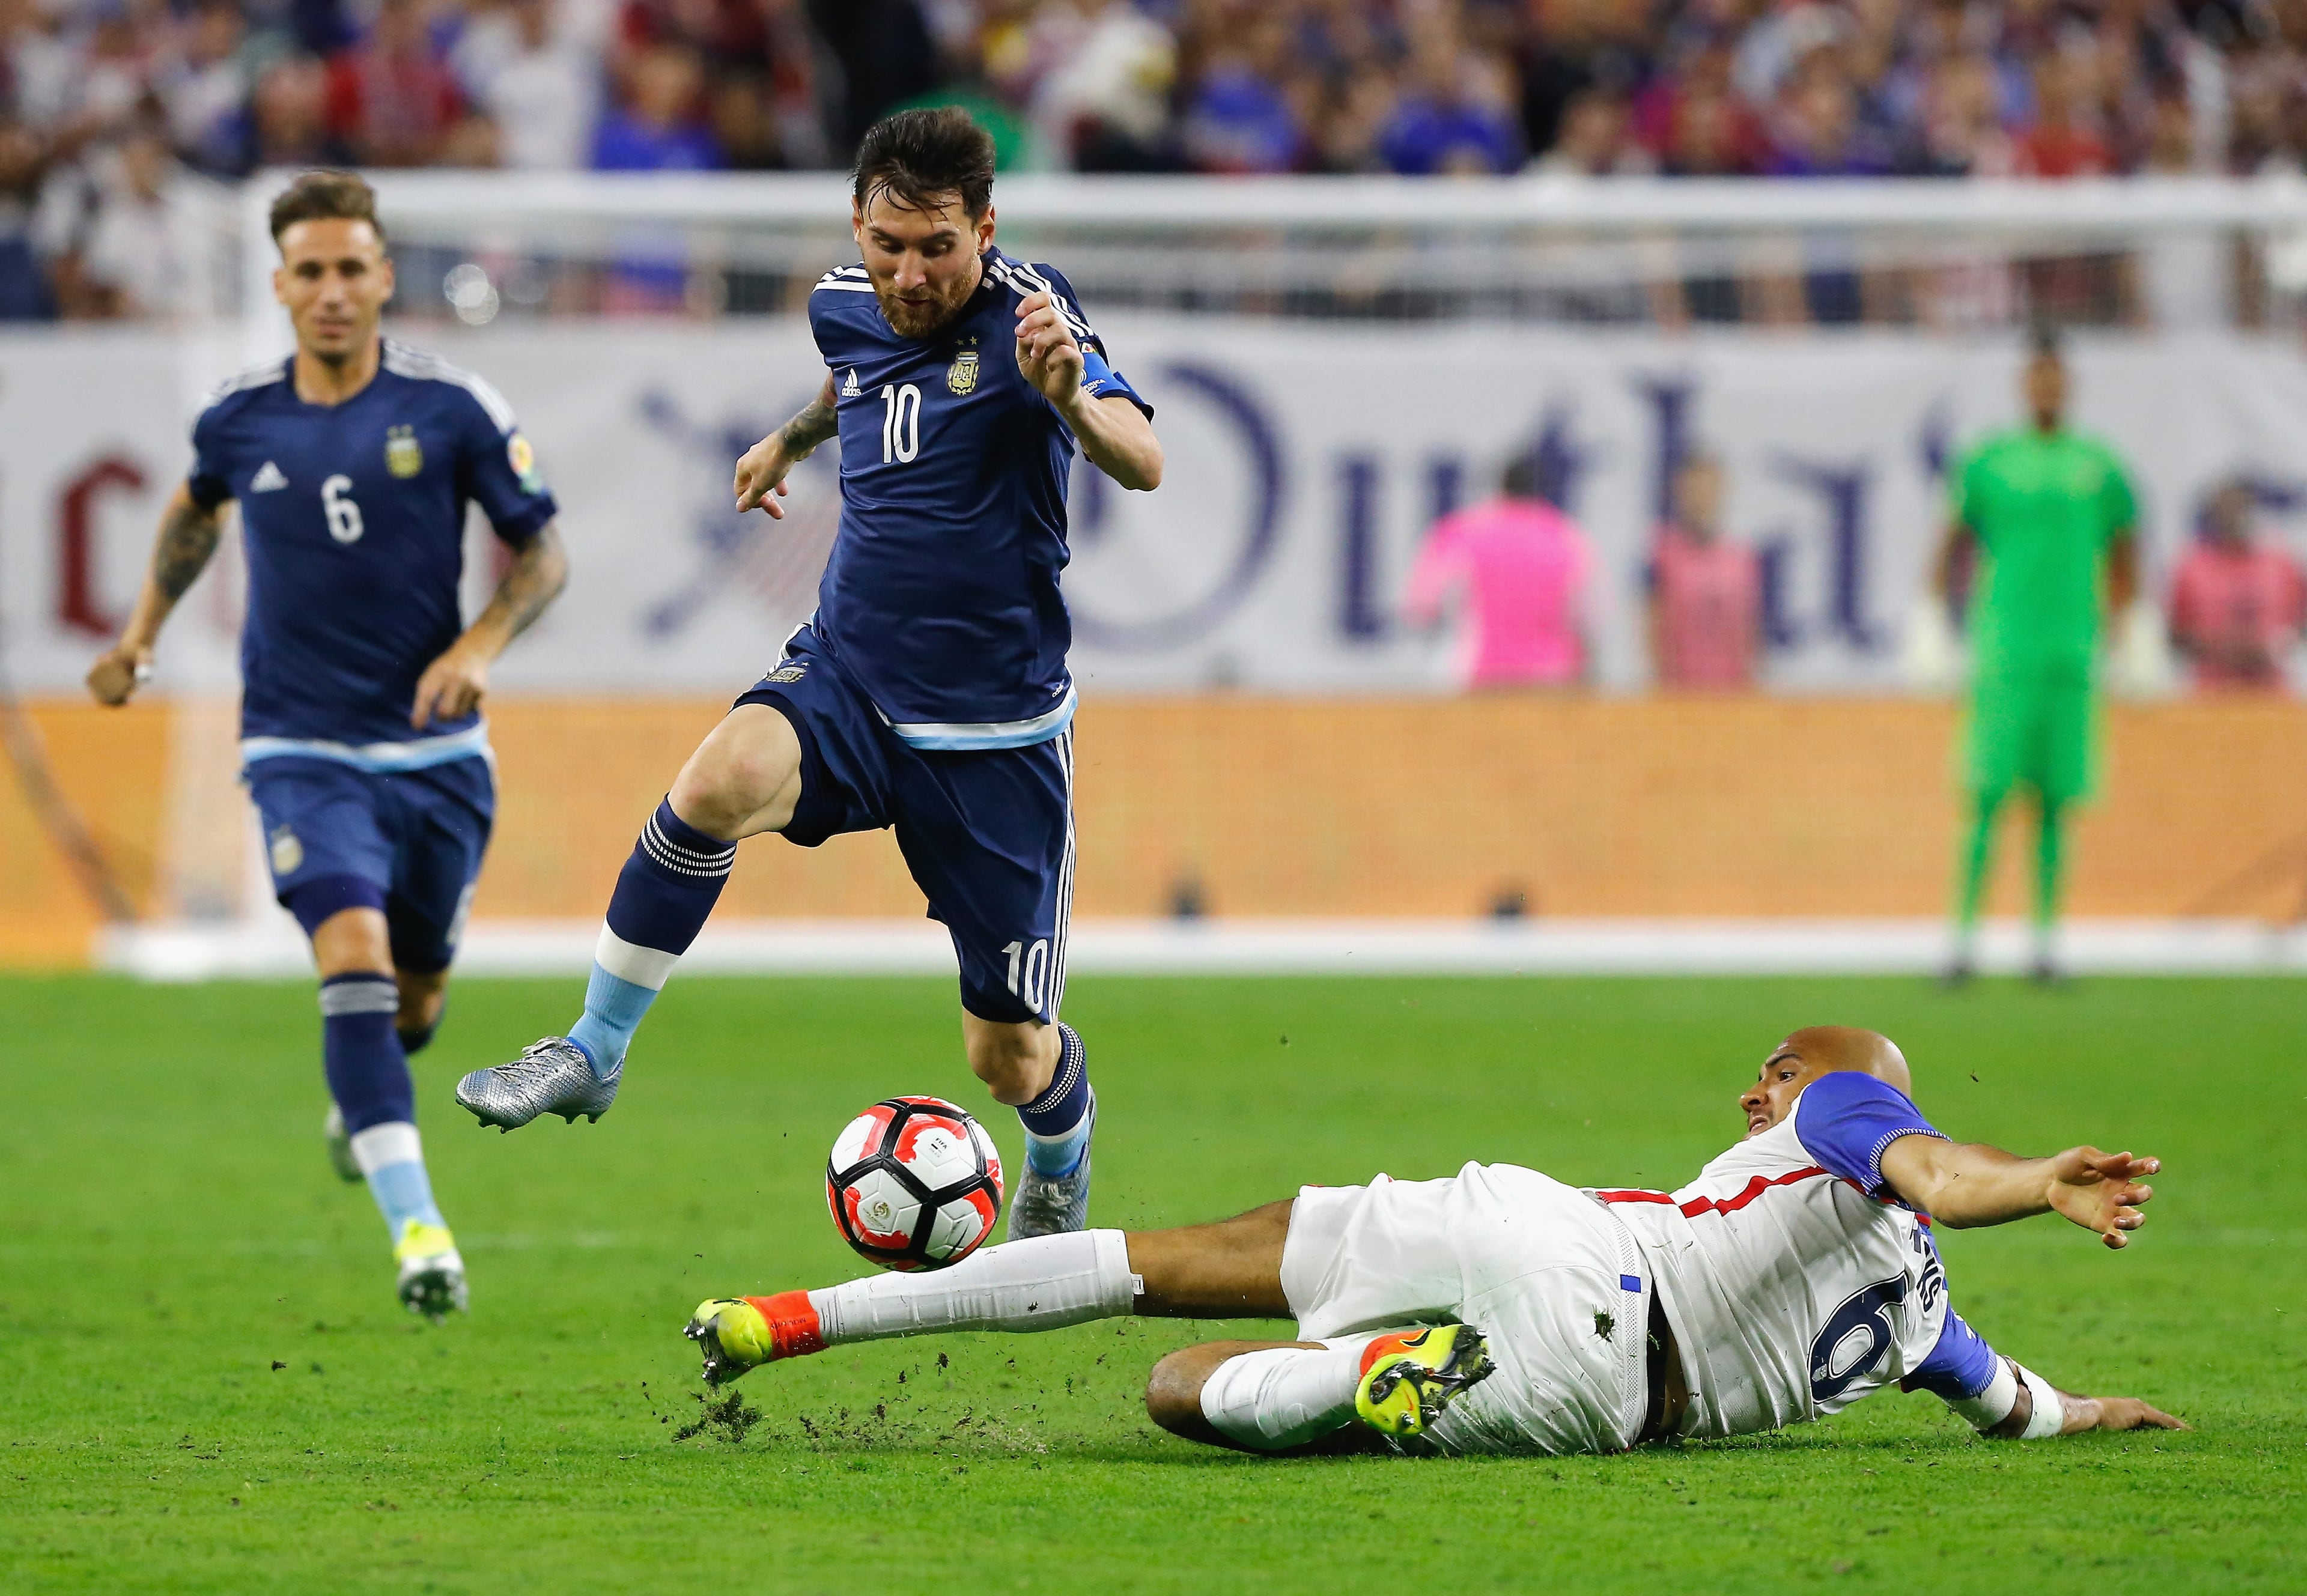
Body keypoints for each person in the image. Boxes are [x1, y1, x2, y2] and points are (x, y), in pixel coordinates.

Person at [456, 109, 1162, 1243]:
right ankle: (592, 1048)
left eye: (939, 247)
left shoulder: (1036, 313)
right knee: (718, 779)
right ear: (858, 223)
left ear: (986, 228)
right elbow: (854, 385)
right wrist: (785, 444)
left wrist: (1072, 394)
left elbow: (1145, 460)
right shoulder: (841, 299)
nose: (911, 273)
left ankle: (1063, 1148)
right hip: (851, 676)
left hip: (994, 734)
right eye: (890, 244)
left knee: (1007, 1053)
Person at [682, 1025, 2181, 1458]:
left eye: (1771, 1071)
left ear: (1820, 1081)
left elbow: (1931, 1166)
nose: (1754, 1090)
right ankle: (1363, 1381)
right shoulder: (1922, 1327)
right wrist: (2096, 1410)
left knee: (1169, 1261)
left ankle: (795, 1317)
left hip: (1553, 1235)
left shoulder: (1851, 1111)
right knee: (1195, 1393)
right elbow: (2013, 1398)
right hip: (1591, 1399)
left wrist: (2028, 1172)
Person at [84, 171, 569, 1319]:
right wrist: (141, 634)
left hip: (437, 754)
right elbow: (198, 507)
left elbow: (542, 556)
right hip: (298, 746)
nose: (333, 291)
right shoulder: (239, 415)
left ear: (386, 277)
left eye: (353, 268)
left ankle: (364, 1098)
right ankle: (421, 1235)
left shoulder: (454, 408)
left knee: (412, 1002)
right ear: (280, 285)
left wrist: (482, 645)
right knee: (346, 954)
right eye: (311, 271)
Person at [1929, 327, 2139, 985]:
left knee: (2056, 802)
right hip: (2005, 649)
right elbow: (1952, 543)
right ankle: (1961, 942)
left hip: (2071, 653)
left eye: (2056, 375)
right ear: (2026, 383)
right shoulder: (1991, 461)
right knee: (1987, 796)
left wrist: (2127, 626)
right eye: (2038, 375)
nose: (2047, 387)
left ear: (2066, 383)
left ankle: (2045, 943)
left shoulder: (2098, 466)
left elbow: (2126, 549)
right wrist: (1935, 619)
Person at [1403, 455, 1594, 691]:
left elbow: (1421, 608)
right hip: (1551, 676)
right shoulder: (1566, 536)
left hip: (1476, 672)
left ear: (1501, 486)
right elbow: (1589, 618)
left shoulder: (1461, 531)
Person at [2168, 479, 2306, 693]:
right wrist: (2221, 649)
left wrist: (2278, 645)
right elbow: (2176, 634)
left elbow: (2301, 624)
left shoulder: (2281, 564)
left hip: (2272, 691)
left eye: (2241, 508)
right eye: (2227, 510)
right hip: (2210, 694)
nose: (2234, 517)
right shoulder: (2192, 567)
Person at [1648, 454, 1760, 690]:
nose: (1701, 498)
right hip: (1679, 694)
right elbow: (1651, 629)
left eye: (1708, 488)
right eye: (1694, 489)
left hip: (1731, 692)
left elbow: (1750, 632)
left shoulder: (1740, 559)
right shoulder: (1663, 555)